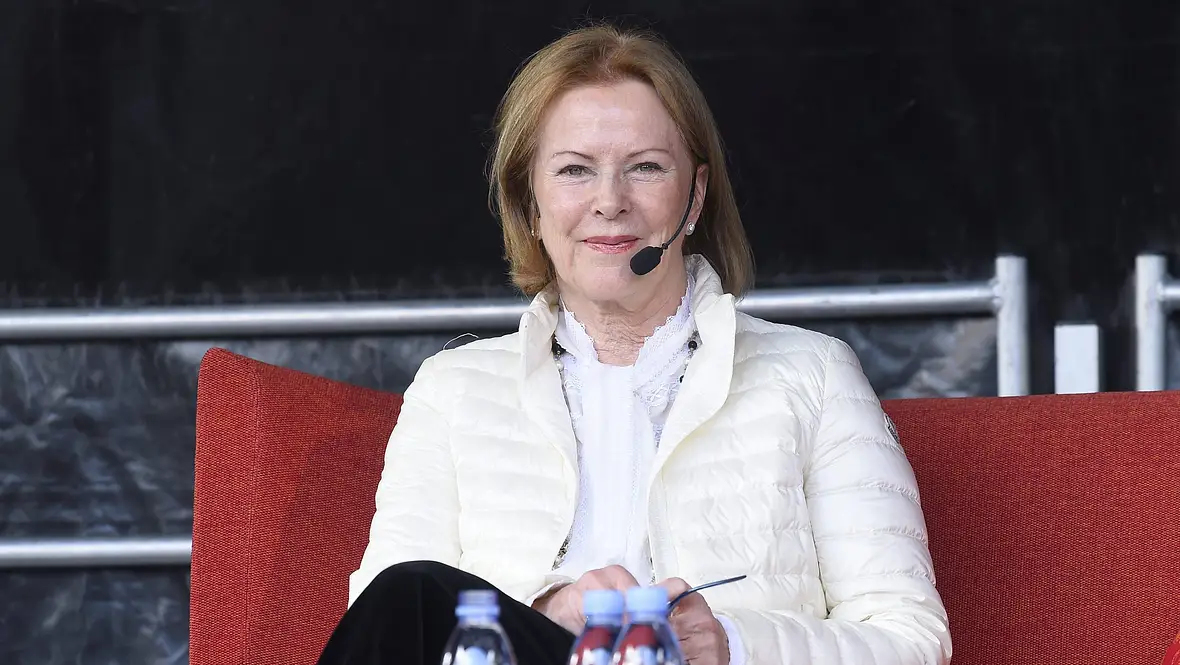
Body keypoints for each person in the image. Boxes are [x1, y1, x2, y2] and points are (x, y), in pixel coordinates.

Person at [317, 23, 952, 665]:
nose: (609, 202)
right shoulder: (452, 389)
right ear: (530, 204)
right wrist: (543, 619)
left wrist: (729, 643)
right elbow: (388, 628)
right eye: (574, 170)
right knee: (409, 594)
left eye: (645, 168)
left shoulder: (813, 375)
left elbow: (910, 640)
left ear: (694, 196)